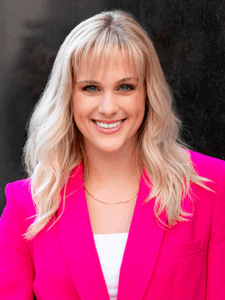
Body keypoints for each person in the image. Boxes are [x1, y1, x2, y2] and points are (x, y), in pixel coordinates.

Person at [0, 9, 224, 300]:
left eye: (125, 87)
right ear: (69, 97)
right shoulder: (26, 206)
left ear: (147, 94)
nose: (108, 107)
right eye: (91, 88)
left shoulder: (212, 185)